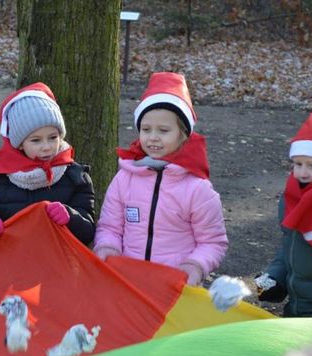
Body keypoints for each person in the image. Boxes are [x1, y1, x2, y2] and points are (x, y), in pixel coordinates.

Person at [93, 72, 228, 285]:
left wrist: (194, 266)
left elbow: (213, 242)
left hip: (175, 289)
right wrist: (108, 249)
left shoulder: (197, 188)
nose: (153, 137)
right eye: (146, 129)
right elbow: (110, 227)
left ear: (183, 135)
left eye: (163, 130)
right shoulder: (124, 178)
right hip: (128, 284)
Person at [0, 82, 95, 245]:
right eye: (36, 140)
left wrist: (71, 217)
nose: (47, 147)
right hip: (8, 261)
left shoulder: (76, 178)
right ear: (19, 143)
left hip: (58, 263)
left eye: (53, 137)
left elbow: (88, 232)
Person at [255, 112, 312, 317]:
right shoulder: (294, 197)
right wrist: (272, 280)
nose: (302, 173)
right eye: (297, 164)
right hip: (298, 316)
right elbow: (291, 247)